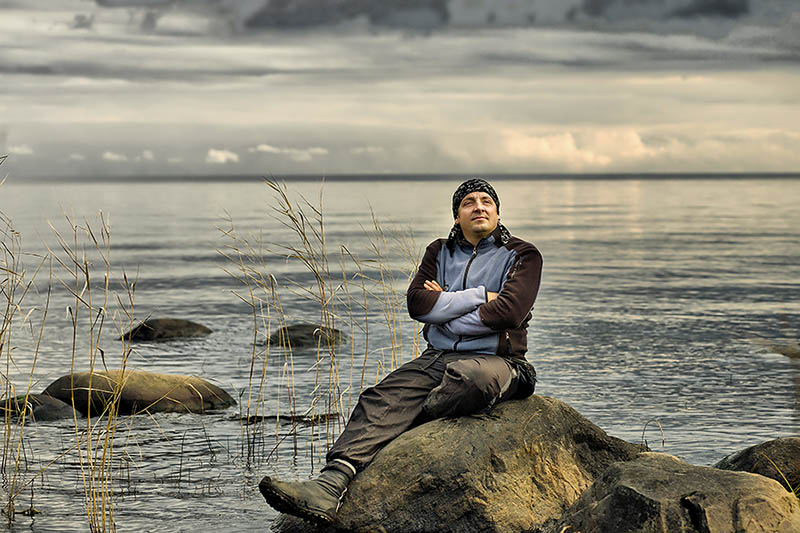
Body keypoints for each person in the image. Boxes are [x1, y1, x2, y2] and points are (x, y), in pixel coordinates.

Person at [259, 178, 543, 524]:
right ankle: (329, 487)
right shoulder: (439, 251)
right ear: (457, 216)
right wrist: (480, 296)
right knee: (380, 398)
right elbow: (418, 305)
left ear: (497, 212)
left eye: (486, 201)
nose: (479, 207)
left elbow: (509, 313)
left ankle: (420, 413)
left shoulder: (523, 254)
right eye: (469, 202)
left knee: (474, 379)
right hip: (437, 358)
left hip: (501, 361)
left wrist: (445, 310)